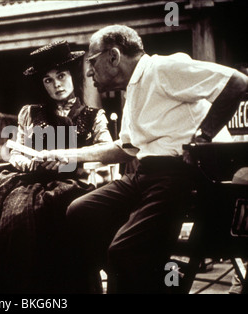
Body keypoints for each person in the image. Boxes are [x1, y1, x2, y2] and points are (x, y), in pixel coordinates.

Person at [42, 25, 248, 293]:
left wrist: (203, 136)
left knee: (123, 251)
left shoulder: (163, 69)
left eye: (92, 62)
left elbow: (237, 82)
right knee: (81, 211)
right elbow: (125, 149)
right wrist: (66, 154)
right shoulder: (133, 89)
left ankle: (137, 269)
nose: (90, 71)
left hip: (182, 175)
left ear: (114, 56)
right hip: (146, 174)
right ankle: (145, 274)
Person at [0, 40, 113, 293]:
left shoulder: (94, 115)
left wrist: (71, 158)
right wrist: (23, 160)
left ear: (73, 76)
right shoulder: (30, 113)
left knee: (56, 208)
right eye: (48, 80)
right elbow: (16, 151)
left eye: (61, 76)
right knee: (13, 213)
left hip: (75, 181)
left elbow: (105, 153)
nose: (56, 85)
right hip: (29, 181)